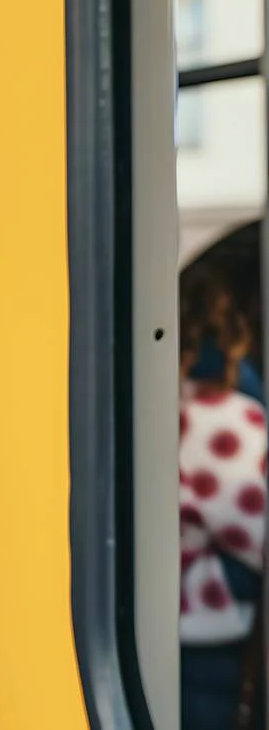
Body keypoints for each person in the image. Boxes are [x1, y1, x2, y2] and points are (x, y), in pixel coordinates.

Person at [179, 261, 268, 730]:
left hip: (150, 618)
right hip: (213, 632)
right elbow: (257, 532)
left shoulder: (149, 397)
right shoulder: (236, 414)